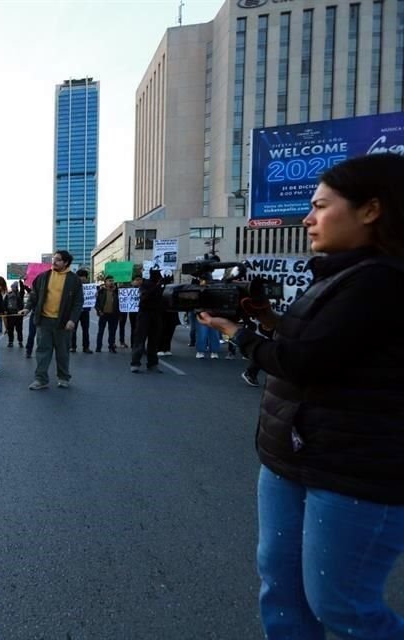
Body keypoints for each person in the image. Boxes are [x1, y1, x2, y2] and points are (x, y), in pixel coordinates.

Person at [199, 153, 404, 640]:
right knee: (282, 589)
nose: (308, 218)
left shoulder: (382, 280)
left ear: (371, 209)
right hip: (291, 459)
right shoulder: (338, 274)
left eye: (320, 206)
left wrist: (237, 333)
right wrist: (267, 318)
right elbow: (314, 342)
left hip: (354, 472)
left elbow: (303, 362)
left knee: (342, 606)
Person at [20, 251, 83, 390]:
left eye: (58, 260)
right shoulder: (43, 277)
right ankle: (40, 380)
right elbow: (34, 295)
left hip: (63, 322)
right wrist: (28, 308)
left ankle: (63, 377)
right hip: (44, 321)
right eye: (54, 259)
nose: (54, 262)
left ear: (66, 262)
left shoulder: (74, 280)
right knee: (43, 351)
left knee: (63, 352)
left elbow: (78, 302)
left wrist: (72, 320)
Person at [129, 270, 165, 373]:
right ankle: (135, 363)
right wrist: (157, 287)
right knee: (140, 340)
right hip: (144, 315)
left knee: (154, 341)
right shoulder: (146, 285)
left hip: (156, 315)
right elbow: (144, 297)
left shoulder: (160, 285)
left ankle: (153, 364)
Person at [69, 268, 92, 354]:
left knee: (86, 330)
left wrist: (95, 295)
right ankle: (72, 346)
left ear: (86, 278)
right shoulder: (73, 287)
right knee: (73, 329)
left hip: (85, 312)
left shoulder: (91, 287)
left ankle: (86, 347)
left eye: (84, 277)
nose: (82, 278)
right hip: (75, 312)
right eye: (80, 276)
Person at [94, 275, 119, 353]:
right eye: (109, 281)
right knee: (101, 331)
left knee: (112, 332)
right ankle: (98, 347)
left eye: (112, 280)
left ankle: (111, 346)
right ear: (105, 282)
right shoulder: (101, 291)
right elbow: (96, 303)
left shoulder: (118, 291)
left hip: (114, 315)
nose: (111, 282)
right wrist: (99, 311)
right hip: (103, 314)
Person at [4, 281, 24, 348]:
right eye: (13, 286)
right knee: (11, 329)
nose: (13, 288)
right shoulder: (8, 295)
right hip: (11, 315)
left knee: (19, 329)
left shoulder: (20, 294)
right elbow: (4, 304)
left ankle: (20, 342)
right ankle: (11, 342)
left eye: (14, 287)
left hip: (18, 315)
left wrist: (21, 281)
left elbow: (22, 289)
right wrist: (5, 311)